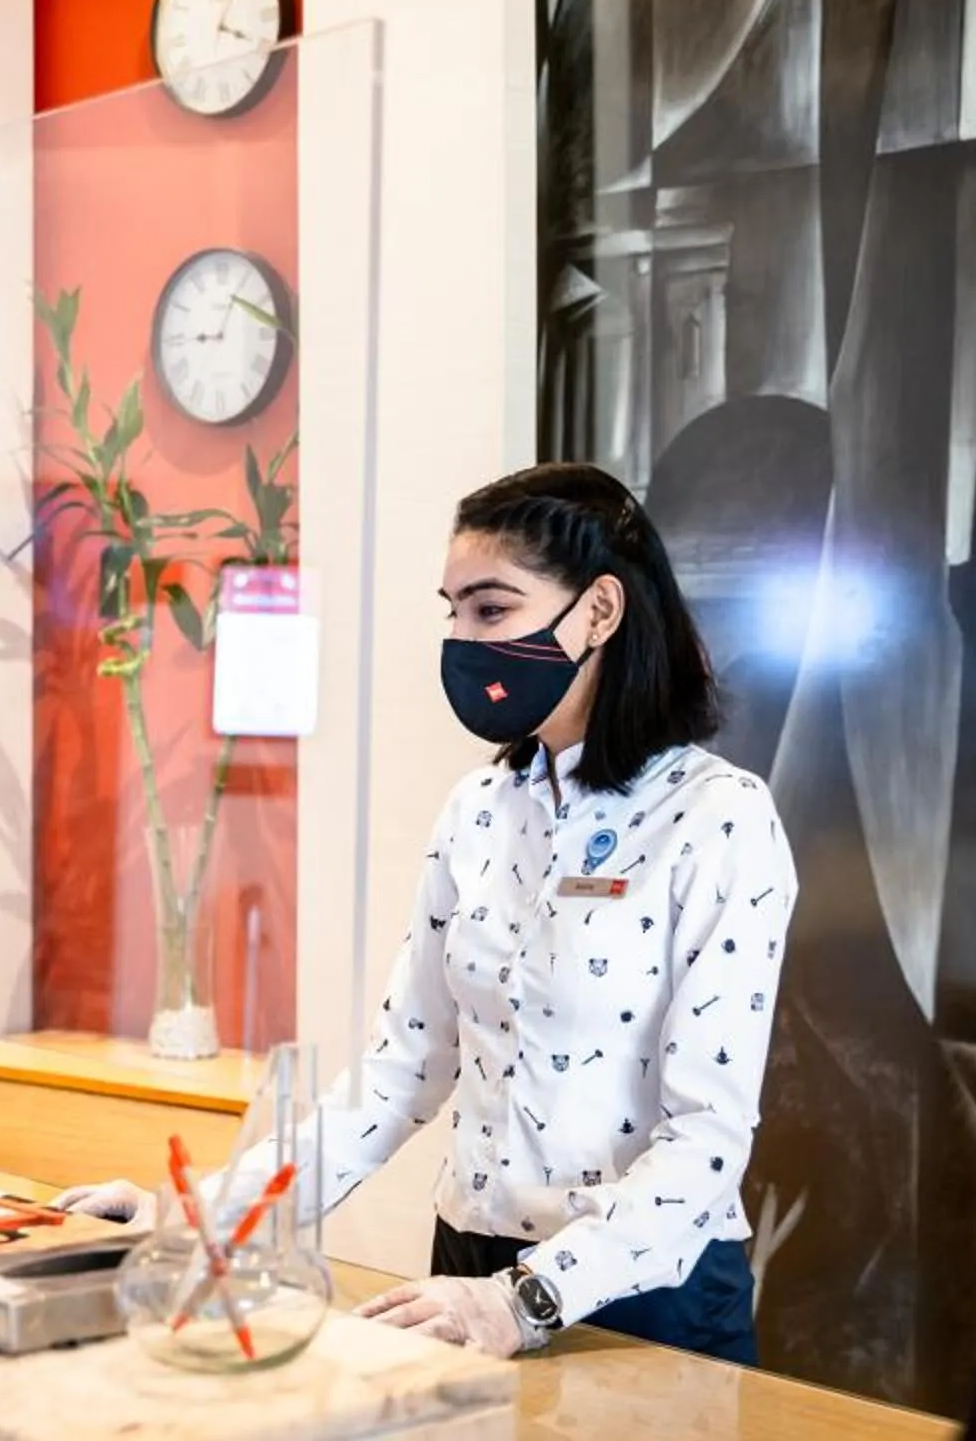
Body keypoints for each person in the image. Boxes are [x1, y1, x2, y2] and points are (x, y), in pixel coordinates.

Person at [55, 463, 795, 1364]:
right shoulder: (479, 810)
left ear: (599, 613)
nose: (461, 638)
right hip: (466, 1271)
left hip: (644, 1300)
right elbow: (400, 1072)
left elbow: (708, 1139)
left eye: (491, 610)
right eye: (452, 611)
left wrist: (528, 1299)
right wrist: (205, 1216)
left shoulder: (721, 817)